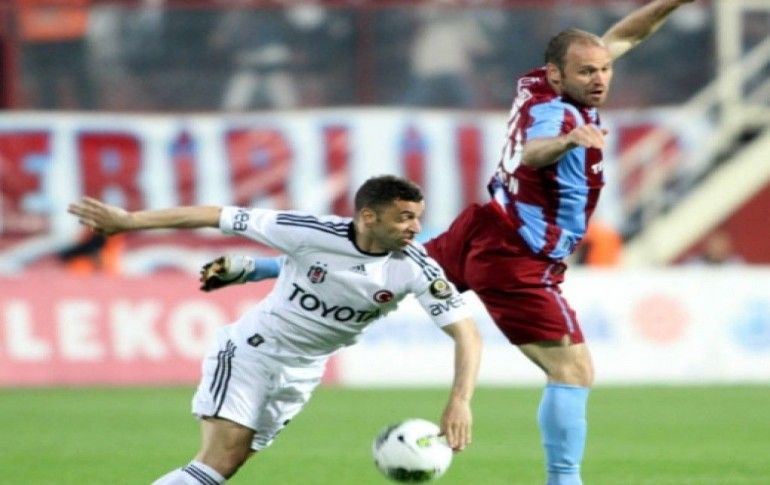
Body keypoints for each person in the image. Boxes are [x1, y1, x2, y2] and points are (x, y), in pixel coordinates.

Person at [217, 2, 697, 484]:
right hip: (517, 255)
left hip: (484, 226)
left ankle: (261, 267)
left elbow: (624, 36)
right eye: (588, 71)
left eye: (604, 69)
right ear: (557, 75)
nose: (600, 78)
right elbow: (534, 151)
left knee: (388, 263)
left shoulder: (541, 83)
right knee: (572, 371)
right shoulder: (555, 113)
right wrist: (570, 141)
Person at [67, 175, 482, 484]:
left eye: (417, 218)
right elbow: (218, 215)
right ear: (368, 216)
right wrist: (129, 221)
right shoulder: (310, 231)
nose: (415, 228)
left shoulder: (416, 268)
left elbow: (467, 334)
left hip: (302, 373)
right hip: (252, 351)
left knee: (224, 467)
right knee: (216, 461)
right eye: (405, 217)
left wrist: (460, 402)